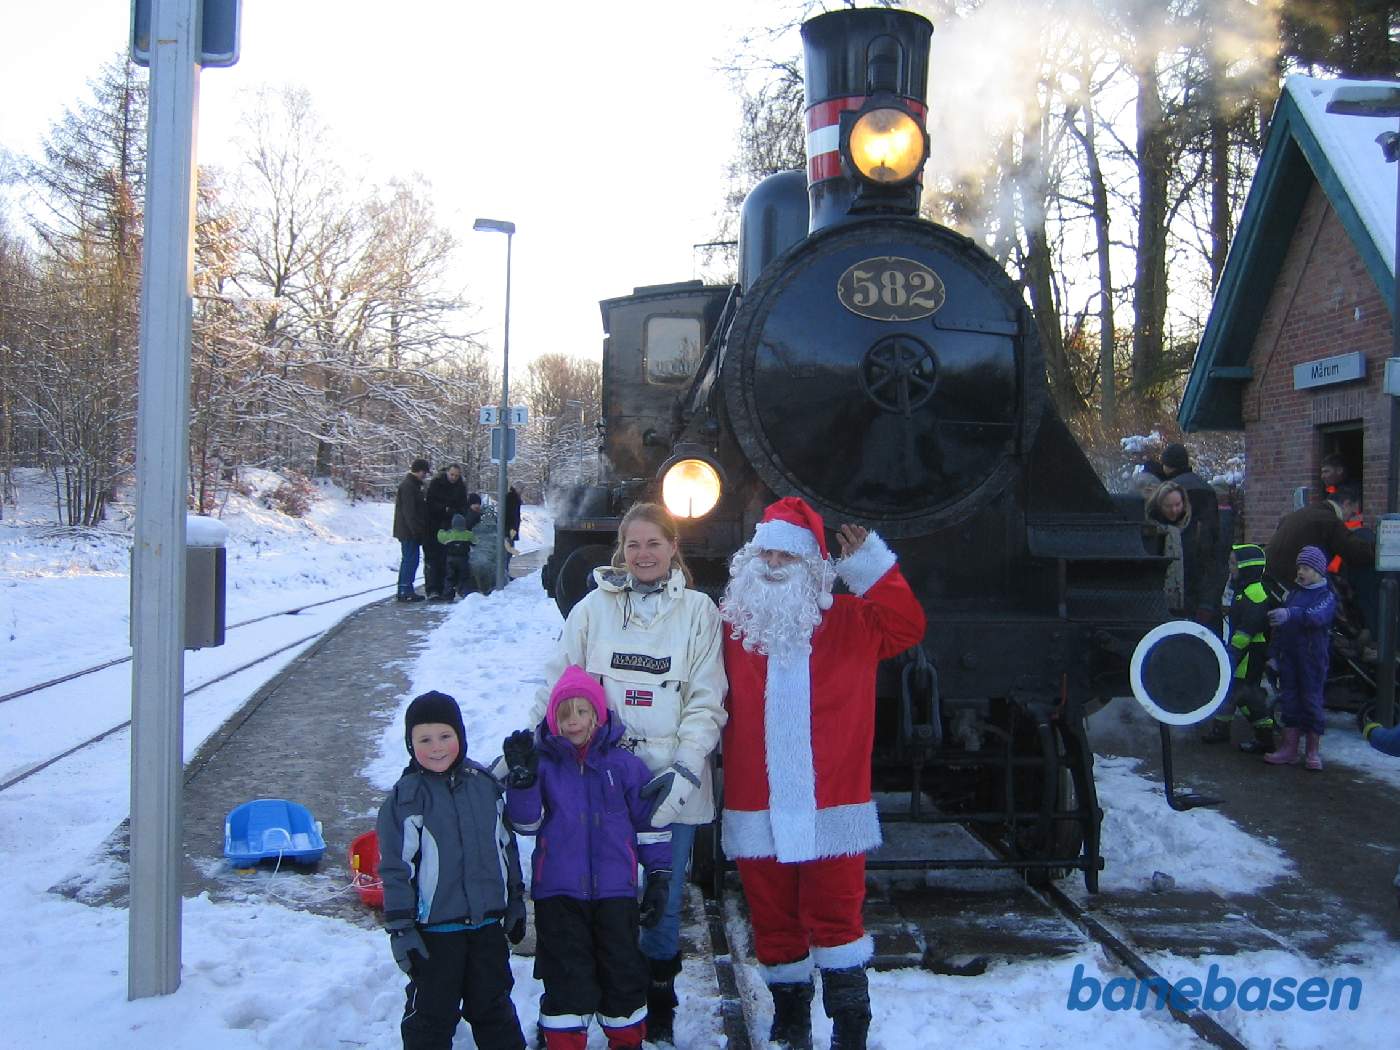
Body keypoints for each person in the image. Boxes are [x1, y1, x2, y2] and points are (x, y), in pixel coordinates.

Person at [719, 497, 926, 1050]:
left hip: (832, 804)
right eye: (766, 554)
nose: (773, 565)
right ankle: (791, 1021)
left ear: (811, 565)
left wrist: (871, 567)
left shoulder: (852, 621)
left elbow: (908, 625)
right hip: (756, 803)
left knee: (837, 918)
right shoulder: (731, 626)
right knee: (772, 917)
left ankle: (851, 1024)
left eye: (786, 556)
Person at [524, 503, 727, 1046]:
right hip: (599, 779)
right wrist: (529, 745)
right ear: (621, 550)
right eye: (633, 544)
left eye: (654, 543)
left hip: (668, 783)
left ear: (673, 548)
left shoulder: (699, 612)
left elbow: (706, 699)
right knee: (596, 896)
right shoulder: (592, 608)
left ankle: (656, 1001)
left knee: (661, 900)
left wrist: (685, 768)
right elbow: (559, 682)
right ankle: (584, 996)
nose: (643, 554)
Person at [502, 667, 671, 1050]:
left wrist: (659, 873)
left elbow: (649, 824)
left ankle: (626, 1041)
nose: (573, 721)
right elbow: (527, 824)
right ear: (553, 721)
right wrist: (523, 783)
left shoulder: (625, 766)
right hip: (558, 893)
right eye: (564, 714)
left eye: (581, 711)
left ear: (598, 714)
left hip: (616, 893)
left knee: (622, 974)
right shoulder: (545, 766)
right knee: (566, 976)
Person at [377, 691, 528, 1050]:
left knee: (494, 1007)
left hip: (486, 927)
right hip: (435, 935)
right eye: (424, 739)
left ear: (460, 735)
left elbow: (505, 847)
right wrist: (401, 929)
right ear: (410, 745)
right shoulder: (406, 798)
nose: (437, 748)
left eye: (445, 736)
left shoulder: (485, 786)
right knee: (431, 1015)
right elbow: (396, 869)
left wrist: (515, 899)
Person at [1264, 546, 1337, 771]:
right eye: (1299, 568)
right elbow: (1280, 629)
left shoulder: (1326, 596)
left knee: (1311, 701)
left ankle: (1312, 751)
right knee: (1289, 701)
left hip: (1311, 660)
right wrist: (1274, 654)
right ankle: (1289, 748)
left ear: (1318, 571)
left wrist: (1290, 614)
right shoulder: (1293, 594)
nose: (1300, 572)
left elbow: (1316, 617)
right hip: (1289, 658)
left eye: (1306, 568)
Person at [1200, 543, 1277, 753]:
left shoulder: (1255, 592)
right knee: (1231, 689)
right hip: (1243, 650)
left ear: (1246, 567)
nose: (1230, 568)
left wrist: (1233, 650)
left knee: (1245, 694)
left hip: (1250, 653)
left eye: (1234, 563)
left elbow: (1250, 626)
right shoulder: (1244, 590)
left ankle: (1265, 738)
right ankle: (1221, 729)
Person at [1264, 483, 1373, 595]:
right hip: (1288, 585)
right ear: (1347, 504)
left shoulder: (1307, 513)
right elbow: (1353, 550)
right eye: (1352, 513)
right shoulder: (1329, 520)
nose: (1350, 519)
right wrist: (1379, 549)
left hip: (1268, 577)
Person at [1160, 443, 1224, 624]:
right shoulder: (1206, 487)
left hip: (1180, 553)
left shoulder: (1170, 489)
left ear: (1168, 465)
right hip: (1205, 553)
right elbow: (1214, 526)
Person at [1145, 481, 1199, 617]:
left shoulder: (1193, 527)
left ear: (1184, 503)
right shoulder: (1149, 529)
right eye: (1168, 506)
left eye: (1177, 505)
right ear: (1159, 505)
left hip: (1189, 600)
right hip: (1156, 601)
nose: (1174, 510)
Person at [424, 465, 470, 600]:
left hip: (451, 527)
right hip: (434, 527)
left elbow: (463, 506)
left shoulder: (460, 487)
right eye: (452, 474)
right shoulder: (436, 484)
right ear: (447, 473)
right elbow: (430, 503)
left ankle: (445, 589)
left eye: (456, 475)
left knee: (447, 560)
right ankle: (432, 589)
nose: (454, 478)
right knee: (433, 559)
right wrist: (445, 509)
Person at [393, 458, 431, 602]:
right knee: (410, 560)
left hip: (408, 530)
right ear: (419, 471)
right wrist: (416, 531)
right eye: (424, 472)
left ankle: (406, 588)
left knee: (411, 560)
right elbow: (409, 512)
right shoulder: (409, 486)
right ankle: (405, 589)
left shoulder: (412, 485)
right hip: (408, 531)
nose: (425, 475)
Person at [436, 513, 476, 600]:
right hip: (463, 559)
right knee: (464, 577)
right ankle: (465, 592)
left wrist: (441, 529)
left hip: (450, 559)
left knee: (449, 577)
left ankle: (448, 594)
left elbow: (440, 538)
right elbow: (475, 541)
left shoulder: (449, 534)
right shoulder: (468, 534)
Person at [503, 486, 524, 570]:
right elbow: (513, 515)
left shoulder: (512, 498)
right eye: (521, 489)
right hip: (509, 530)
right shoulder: (513, 499)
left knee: (508, 551)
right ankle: (505, 571)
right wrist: (513, 528)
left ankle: (505, 570)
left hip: (509, 529)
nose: (522, 491)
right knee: (508, 551)